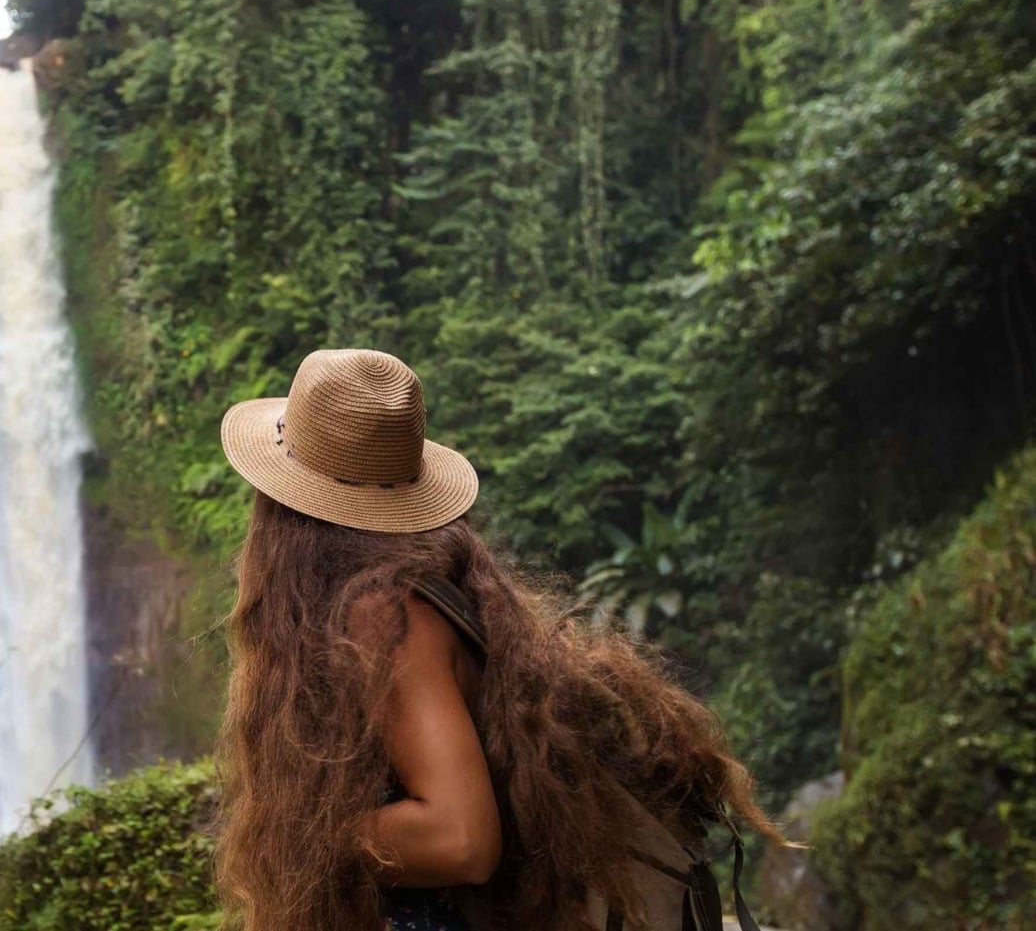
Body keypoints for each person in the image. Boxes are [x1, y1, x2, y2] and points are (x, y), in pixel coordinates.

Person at [213, 348, 778, 931]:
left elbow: (461, 839)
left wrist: (300, 829)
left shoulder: (385, 618)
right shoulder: (426, 592)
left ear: (283, 505)